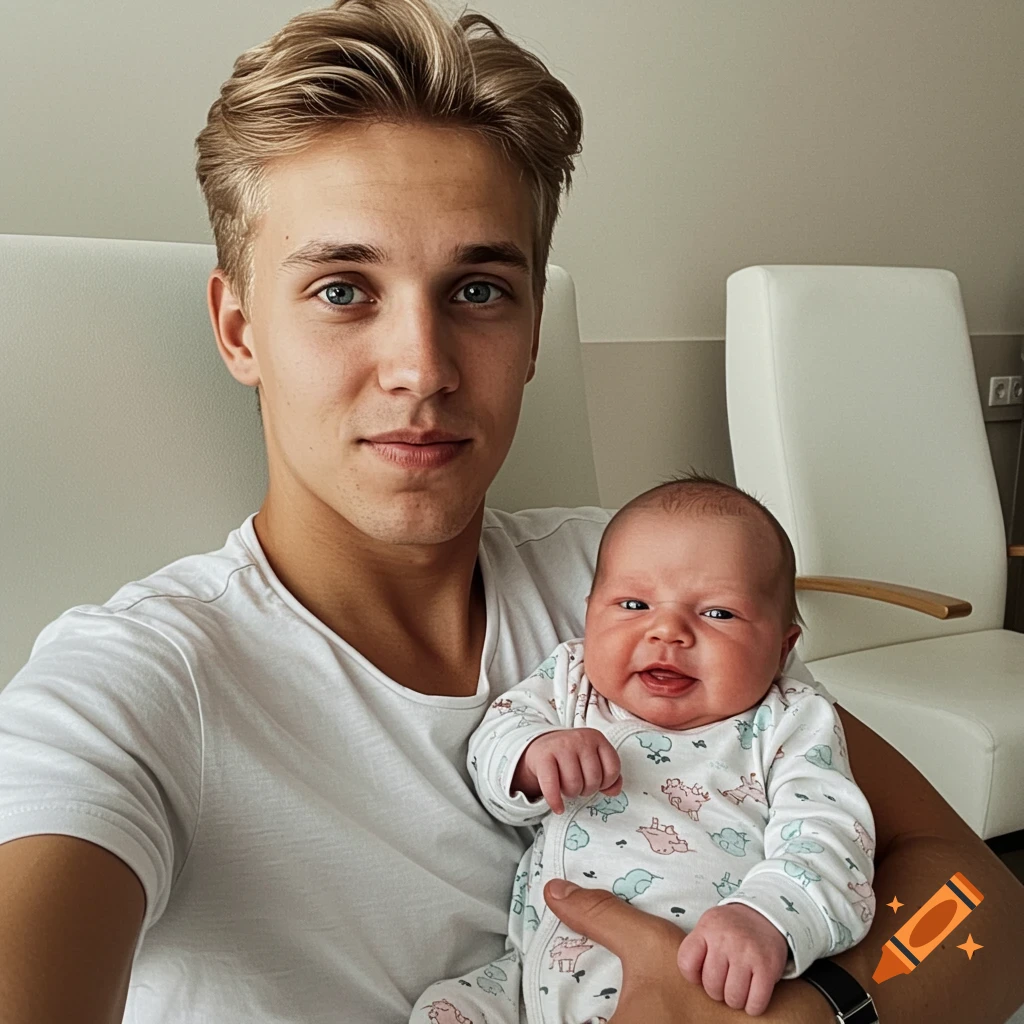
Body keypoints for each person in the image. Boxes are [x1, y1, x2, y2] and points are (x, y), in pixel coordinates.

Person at [0, 1, 1022, 1022]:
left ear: (533, 328)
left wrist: (824, 1012)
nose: (422, 368)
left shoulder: (635, 586)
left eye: (478, 290)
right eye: (344, 291)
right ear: (238, 329)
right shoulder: (134, 690)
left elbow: (984, 904)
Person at [412, 477, 876, 1023]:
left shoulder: (789, 721)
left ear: (782, 648)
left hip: (694, 980)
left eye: (718, 614)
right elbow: (495, 738)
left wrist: (768, 917)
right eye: (633, 604)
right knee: (444, 1009)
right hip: (530, 976)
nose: (668, 632)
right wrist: (533, 755)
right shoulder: (571, 680)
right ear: (589, 615)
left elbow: (833, 840)